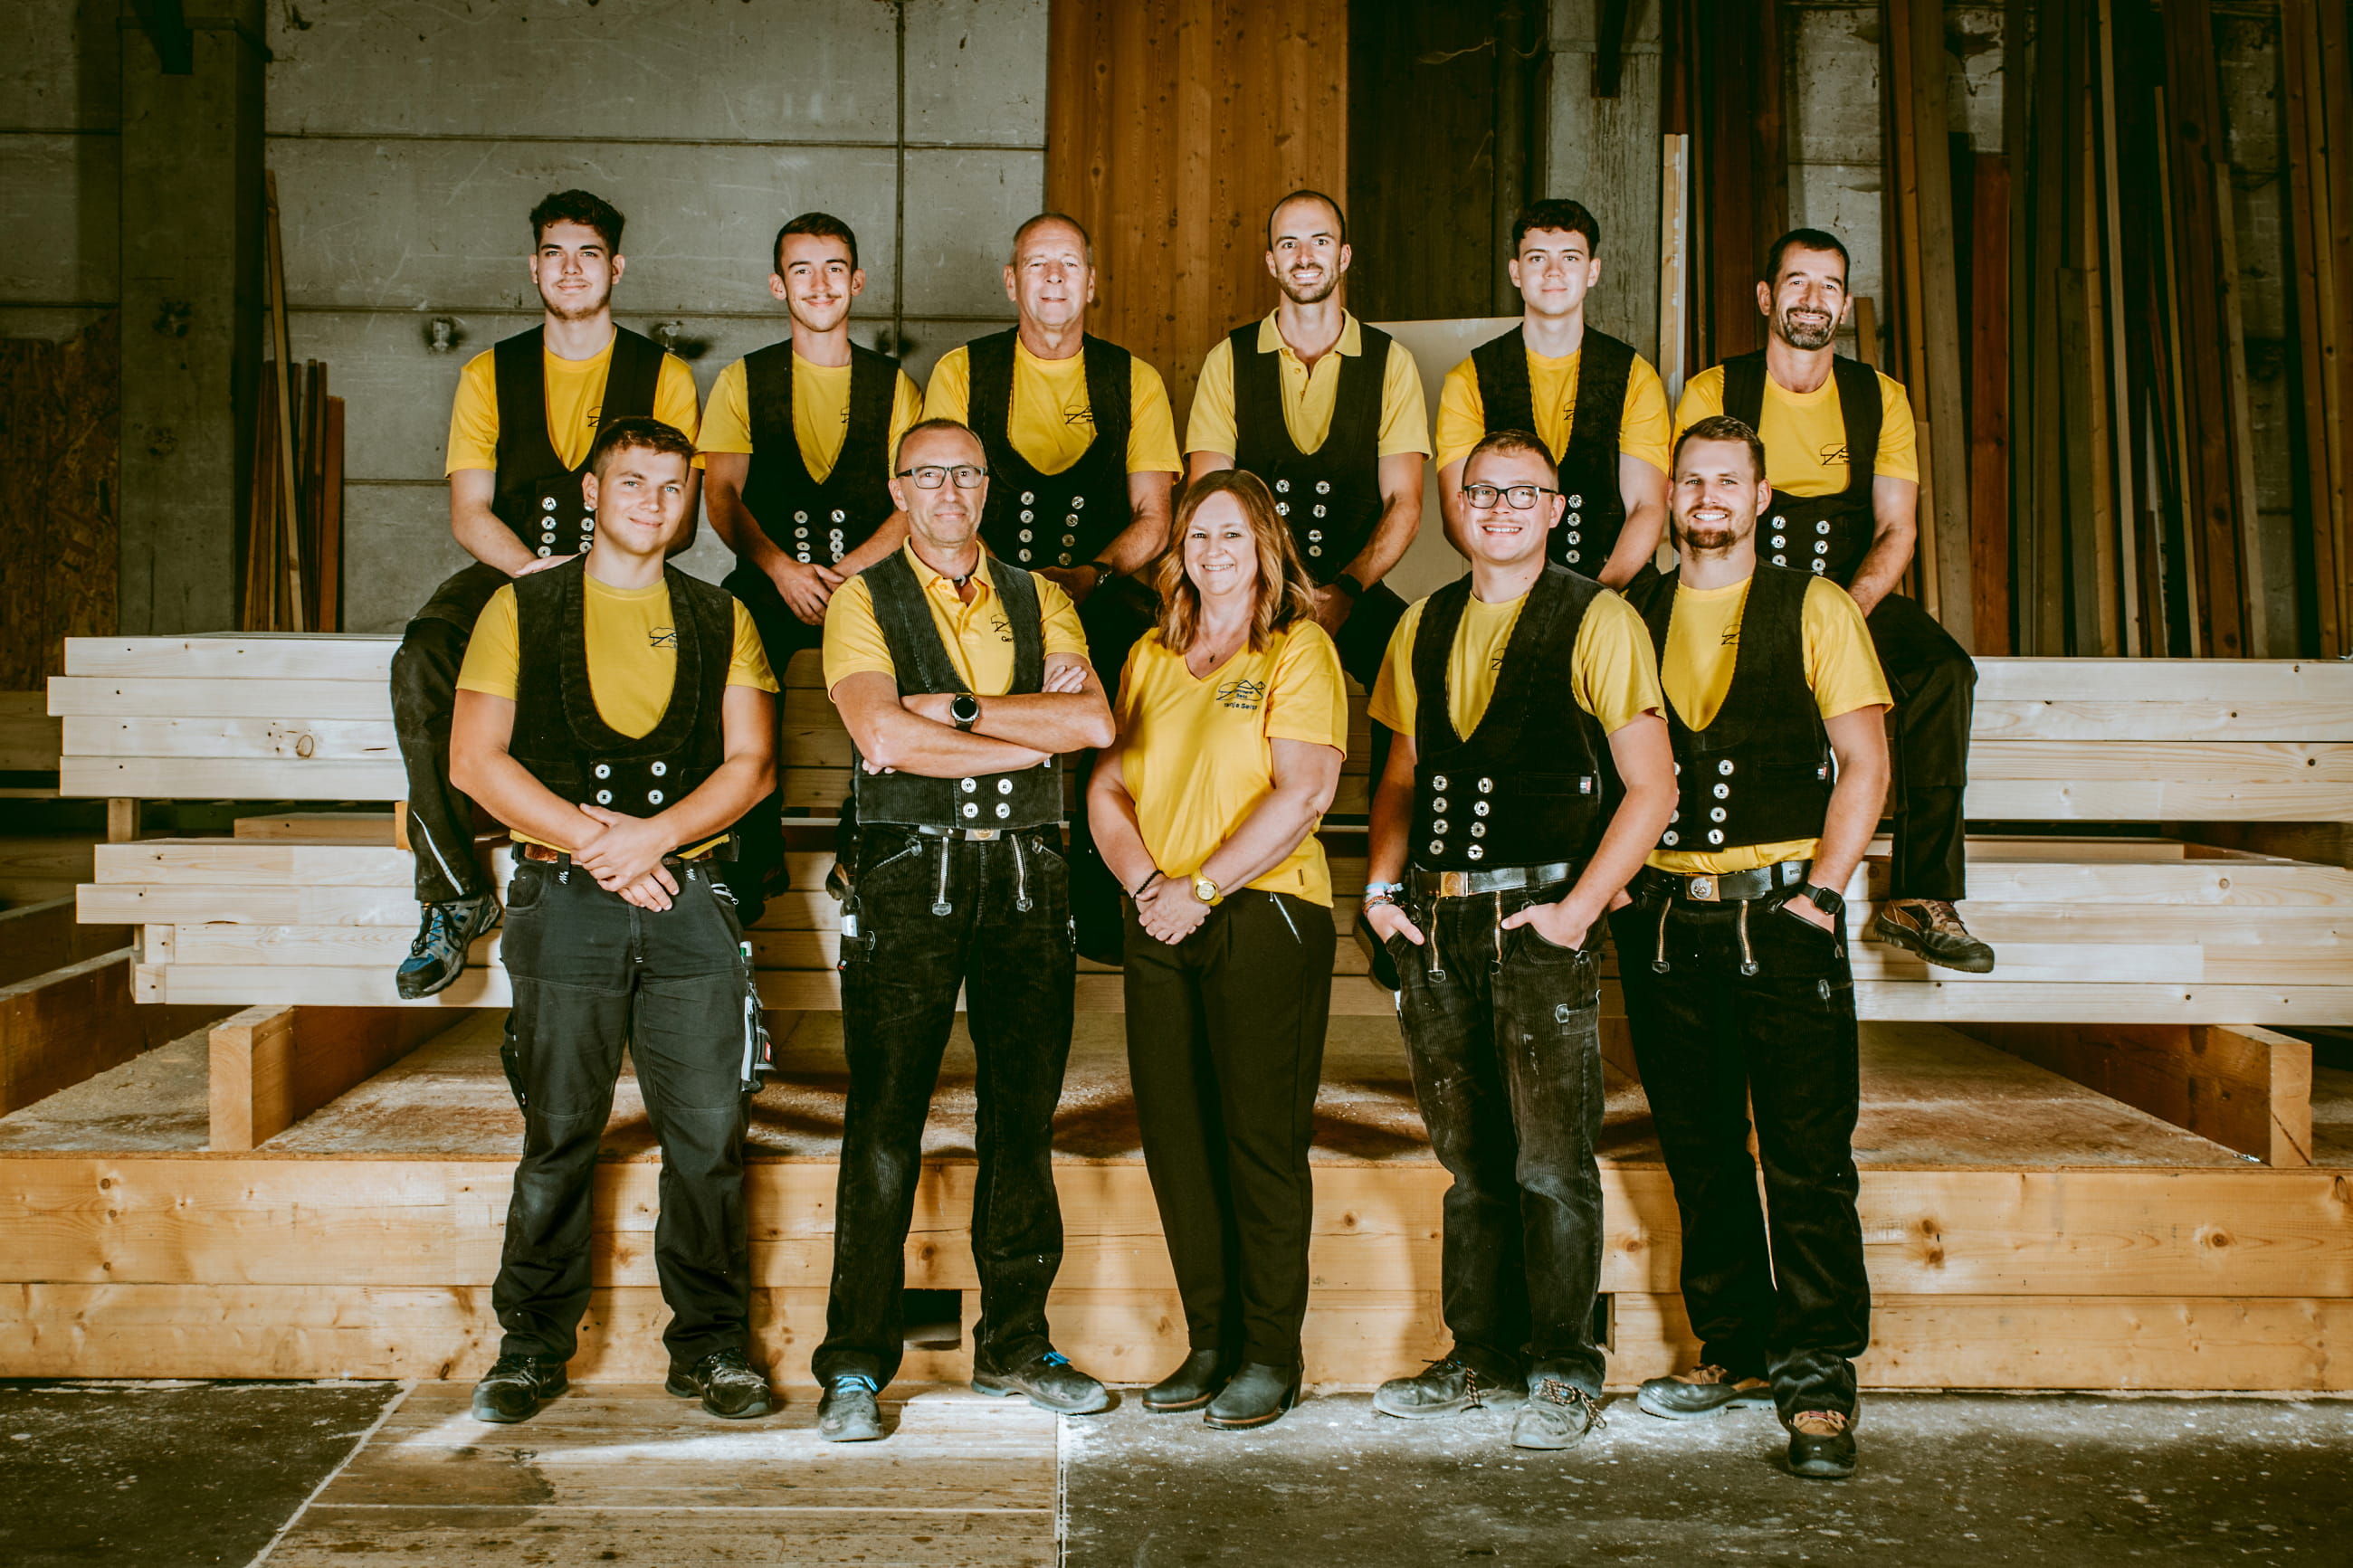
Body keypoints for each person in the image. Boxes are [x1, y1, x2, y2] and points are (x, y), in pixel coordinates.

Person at [448, 416, 777, 1425]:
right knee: (559, 1132)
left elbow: (749, 767)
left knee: (710, 1136)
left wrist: (654, 842)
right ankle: (529, 1346)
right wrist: (609, 847)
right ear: (591, 493)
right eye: (630, 482)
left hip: (688, 902)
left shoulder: (723, 614)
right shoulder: (522, 607)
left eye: (671, 486)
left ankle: (712, 1347)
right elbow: (475, 762)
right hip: (564, 900)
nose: (651, 500)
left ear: (688, 502)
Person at [1360, 430, 1677, 1450]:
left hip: (1540, 919)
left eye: (1520, 492)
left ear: (1553, 510)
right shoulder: (1422, 621)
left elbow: (1652, 787)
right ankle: (1479, 1354)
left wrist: (1578, 910)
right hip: (1439, 920)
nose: (1497, 507)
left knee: (1550, 1160)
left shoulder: (1598, 618)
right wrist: (1379, 888)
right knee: (1471, 1164)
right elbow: (1401, 775)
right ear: (1457, 508)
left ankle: (1561, 1368)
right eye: (1480, 491)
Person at [813, 418, 1118, 1442]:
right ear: (898, 490)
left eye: (965, 473)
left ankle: (1016, 1344)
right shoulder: (861, 598)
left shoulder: (1044, 596)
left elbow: (1090, 727)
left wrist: (951, 712)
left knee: (1020, 1118)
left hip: (1029, 882)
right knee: (884, 1121)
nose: (947, 489)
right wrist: (1013, 728)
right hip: (905, 880)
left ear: (987, 489)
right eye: (926, 473)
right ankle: (854, 1362)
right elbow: (877, 732)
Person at [1612, 414, 1891, 1481]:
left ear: (1761, 497)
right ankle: (1732, 1349)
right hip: (1667, 920)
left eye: (1727, 480)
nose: (1707, 496)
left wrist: (1822, 896)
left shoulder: (1811, 605)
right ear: (1671, 497)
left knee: (1806, 1158)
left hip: (1781, 915)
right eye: (1691, 480)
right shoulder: (1632, 607)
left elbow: (1862, 762)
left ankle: (1816, 1376)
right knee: (1699, 1152)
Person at [390, 189, 703, 998]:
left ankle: (691, 873)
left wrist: (600, 581)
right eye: (555, 253)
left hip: (631, 574)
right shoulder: (488, 371)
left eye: (589, 254)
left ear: (617, 268)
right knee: (423, 655)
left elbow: (683, 520)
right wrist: (538, 580)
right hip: (513, 569)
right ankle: (452, 894)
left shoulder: (664, 374)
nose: (571, 268)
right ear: (534, 266)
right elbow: (470, 513)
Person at [1086, 470, 1349, 1430]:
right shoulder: (1151, 657)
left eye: (1231, 535)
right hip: (1160, 917)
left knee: (1257, 1143)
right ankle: (1208, 1339)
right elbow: (1107, 787)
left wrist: (1198, 888)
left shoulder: (1299, 649)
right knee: (1176, 1138)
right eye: (1197, 535)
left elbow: (1302, 793)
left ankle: (1269, 1353)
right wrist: (1146, 888)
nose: (1211, 551)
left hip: (1261, 915)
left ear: (1265, 547)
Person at [1674, 228, 1990, 973]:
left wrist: (1841, 614)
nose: (1812, 299)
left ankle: (1920, 895)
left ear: (1844, 305)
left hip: (1853, 591)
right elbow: (1705, 508)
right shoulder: (1716, 389)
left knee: (1945, 673)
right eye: (1796, 282)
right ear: (1765, 296)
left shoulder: (1880, 397)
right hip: (1743, 586)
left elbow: (1896, 528)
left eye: (1827, 286)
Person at [922, 212, 1184, 957]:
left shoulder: (1134, 379)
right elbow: (937, 497)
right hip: (981, 592)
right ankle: (972, 907)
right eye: (1038, 265)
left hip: (1100, 592)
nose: (1055, 279)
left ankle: (1106, 916)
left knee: (1136, 699)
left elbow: (1153, 518)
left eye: (1069, 265)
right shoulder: (960, 371)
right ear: (1012, 281)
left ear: (1093, 283)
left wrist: (1091, 573)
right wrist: (1000, 580)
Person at [700, 212, 926, 917]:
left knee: (916, 644)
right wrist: (778, 567)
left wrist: (852, 570)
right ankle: (751, 841)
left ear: (856, 281)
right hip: (771, 579)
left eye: (834, 268)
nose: (819, 283)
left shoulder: (895, 386)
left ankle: (866, 836)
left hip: (869, 578)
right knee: (721, 640)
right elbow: (722, 493)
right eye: (802, 269)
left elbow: (913, 496)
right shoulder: (743, 378)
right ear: (778, 284)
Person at [1186, 189, 1431, 692]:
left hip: (1353, 587)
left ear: (1343, 256)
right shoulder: (1228, 359)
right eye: (1289, 244)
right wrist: (1249, 595)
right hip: (1247, 593)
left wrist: (1346, 589)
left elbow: (1404, 503)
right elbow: (1207, 503)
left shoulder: (1391, 362)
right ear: (1272, 261)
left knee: (1420, 675)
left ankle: (1394, 777)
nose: (1304, 257)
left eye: (1319, 242)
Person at [1434, 198, 1673, 589]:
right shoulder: (1469, 378)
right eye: (1537, 258)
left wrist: (1599, 598)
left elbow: (1646, 508)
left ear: (1593, 271)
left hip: (1618, 589)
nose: (1554, 272)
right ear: (1516, 272)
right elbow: (1457, 511)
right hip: (1507, 589)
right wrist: (1519, 589)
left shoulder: (1634, 376)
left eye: (1571, 258)